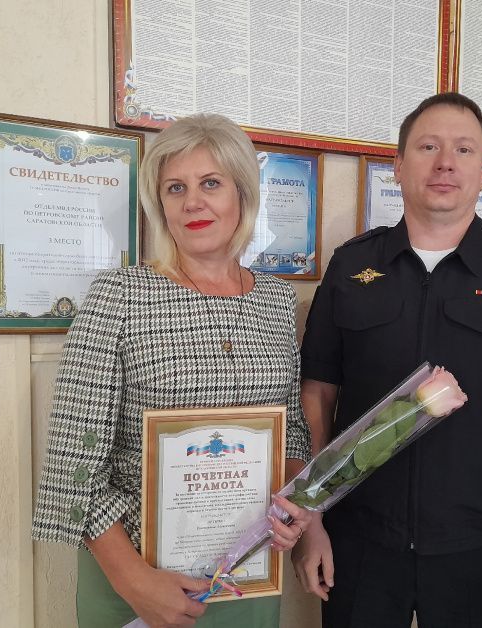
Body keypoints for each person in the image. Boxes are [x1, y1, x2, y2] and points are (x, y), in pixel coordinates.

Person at [293, 92, 482, 628]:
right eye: (427, 147)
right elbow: (317, 396)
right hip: (358, 544)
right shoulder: (351, 266)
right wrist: (311, 520)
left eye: (464, 149)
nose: (445, 163)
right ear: (397, 165)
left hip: (479, 548)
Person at [32, 113, 313, 628]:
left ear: (243, 194)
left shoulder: (276, 299)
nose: (193, 202)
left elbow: (290, 428)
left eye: (211, 183)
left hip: (247, 572)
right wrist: (133, 581)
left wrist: (296, 505)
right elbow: (73, 462)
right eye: (175, 188)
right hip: (139, 580)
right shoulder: (120, 295)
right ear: (159, 204)